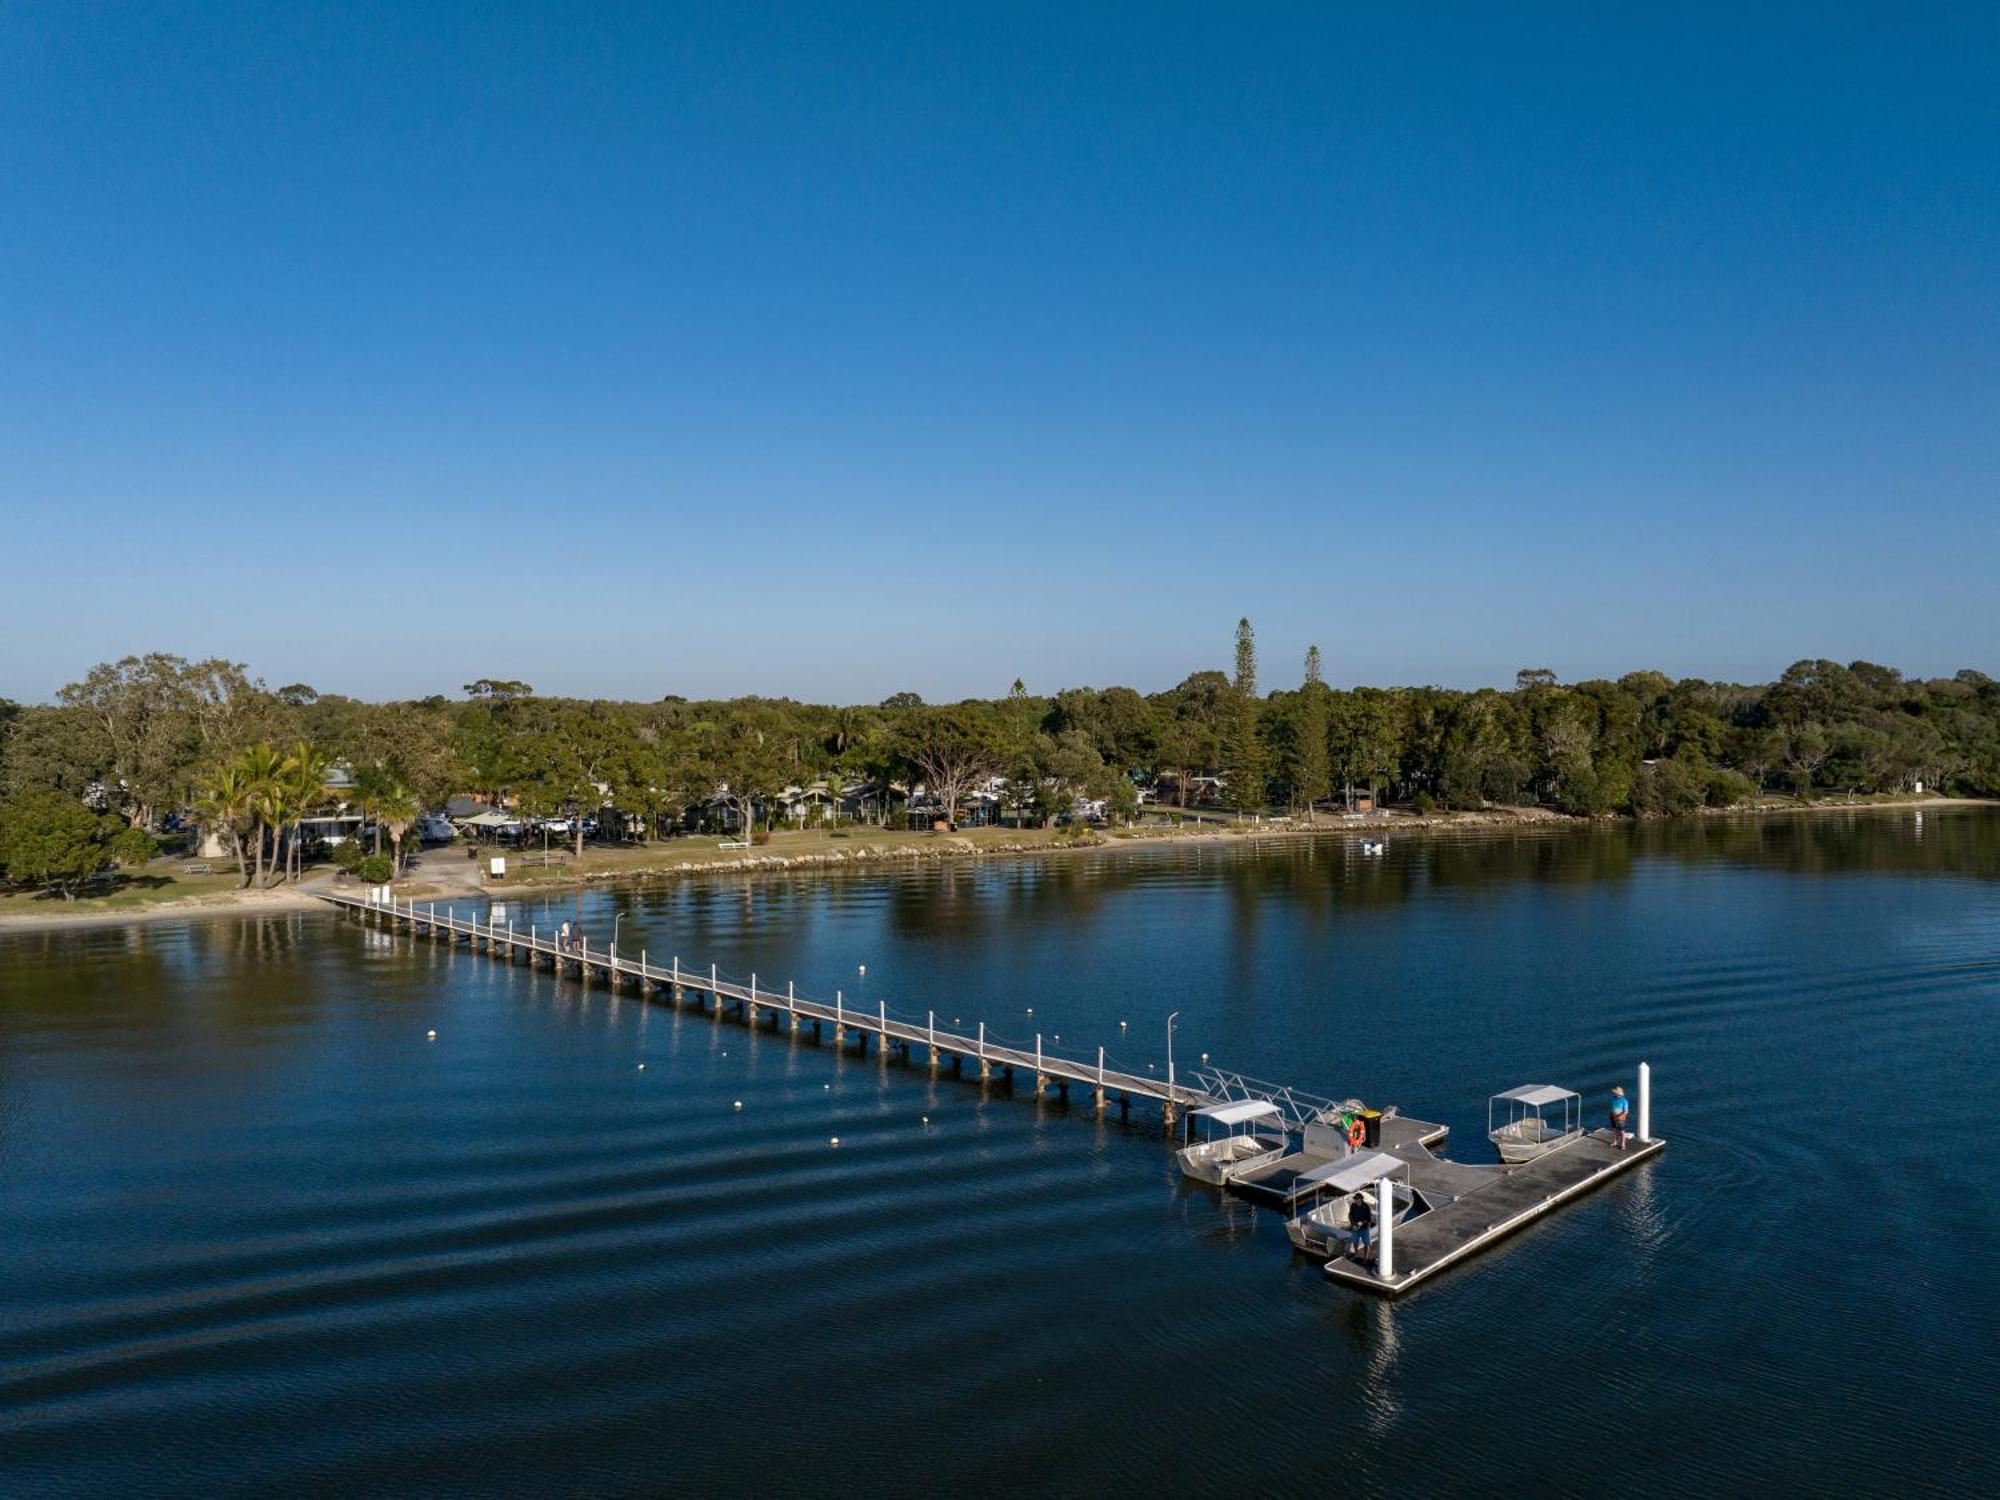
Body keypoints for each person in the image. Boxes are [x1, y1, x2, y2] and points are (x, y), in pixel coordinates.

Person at [1346, 1188, 1374, 1261]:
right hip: (1355, 1227)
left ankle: (1365, 1258)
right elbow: (1350, 1215)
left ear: (1361, 1199)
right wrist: (1353, 1224)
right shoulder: (1353, 1205)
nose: (1355, 1200)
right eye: (1355, 1199)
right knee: (1355, 1242)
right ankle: (1356, 1254)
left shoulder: (1366, 1207)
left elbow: (1369, 1218)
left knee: (1366, 1243)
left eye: (1357, 1199)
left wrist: (1361, 1223)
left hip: (1364, 1228)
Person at [1609, 1085, 1630, 1151]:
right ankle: (1615, 1142)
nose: (1614, 1094)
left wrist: (1620, 1116)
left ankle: (1623, 1144)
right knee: (1615, 1130)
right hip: (1613, 1115)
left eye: (1615, 1093)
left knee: (1622, 1131)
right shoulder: (1614, 1098)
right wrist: (1611, 1114)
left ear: (1618, 1093)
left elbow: (1626, 1111)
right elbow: (1613, 1107)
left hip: (1620, 1118)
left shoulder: (1624, 1101)